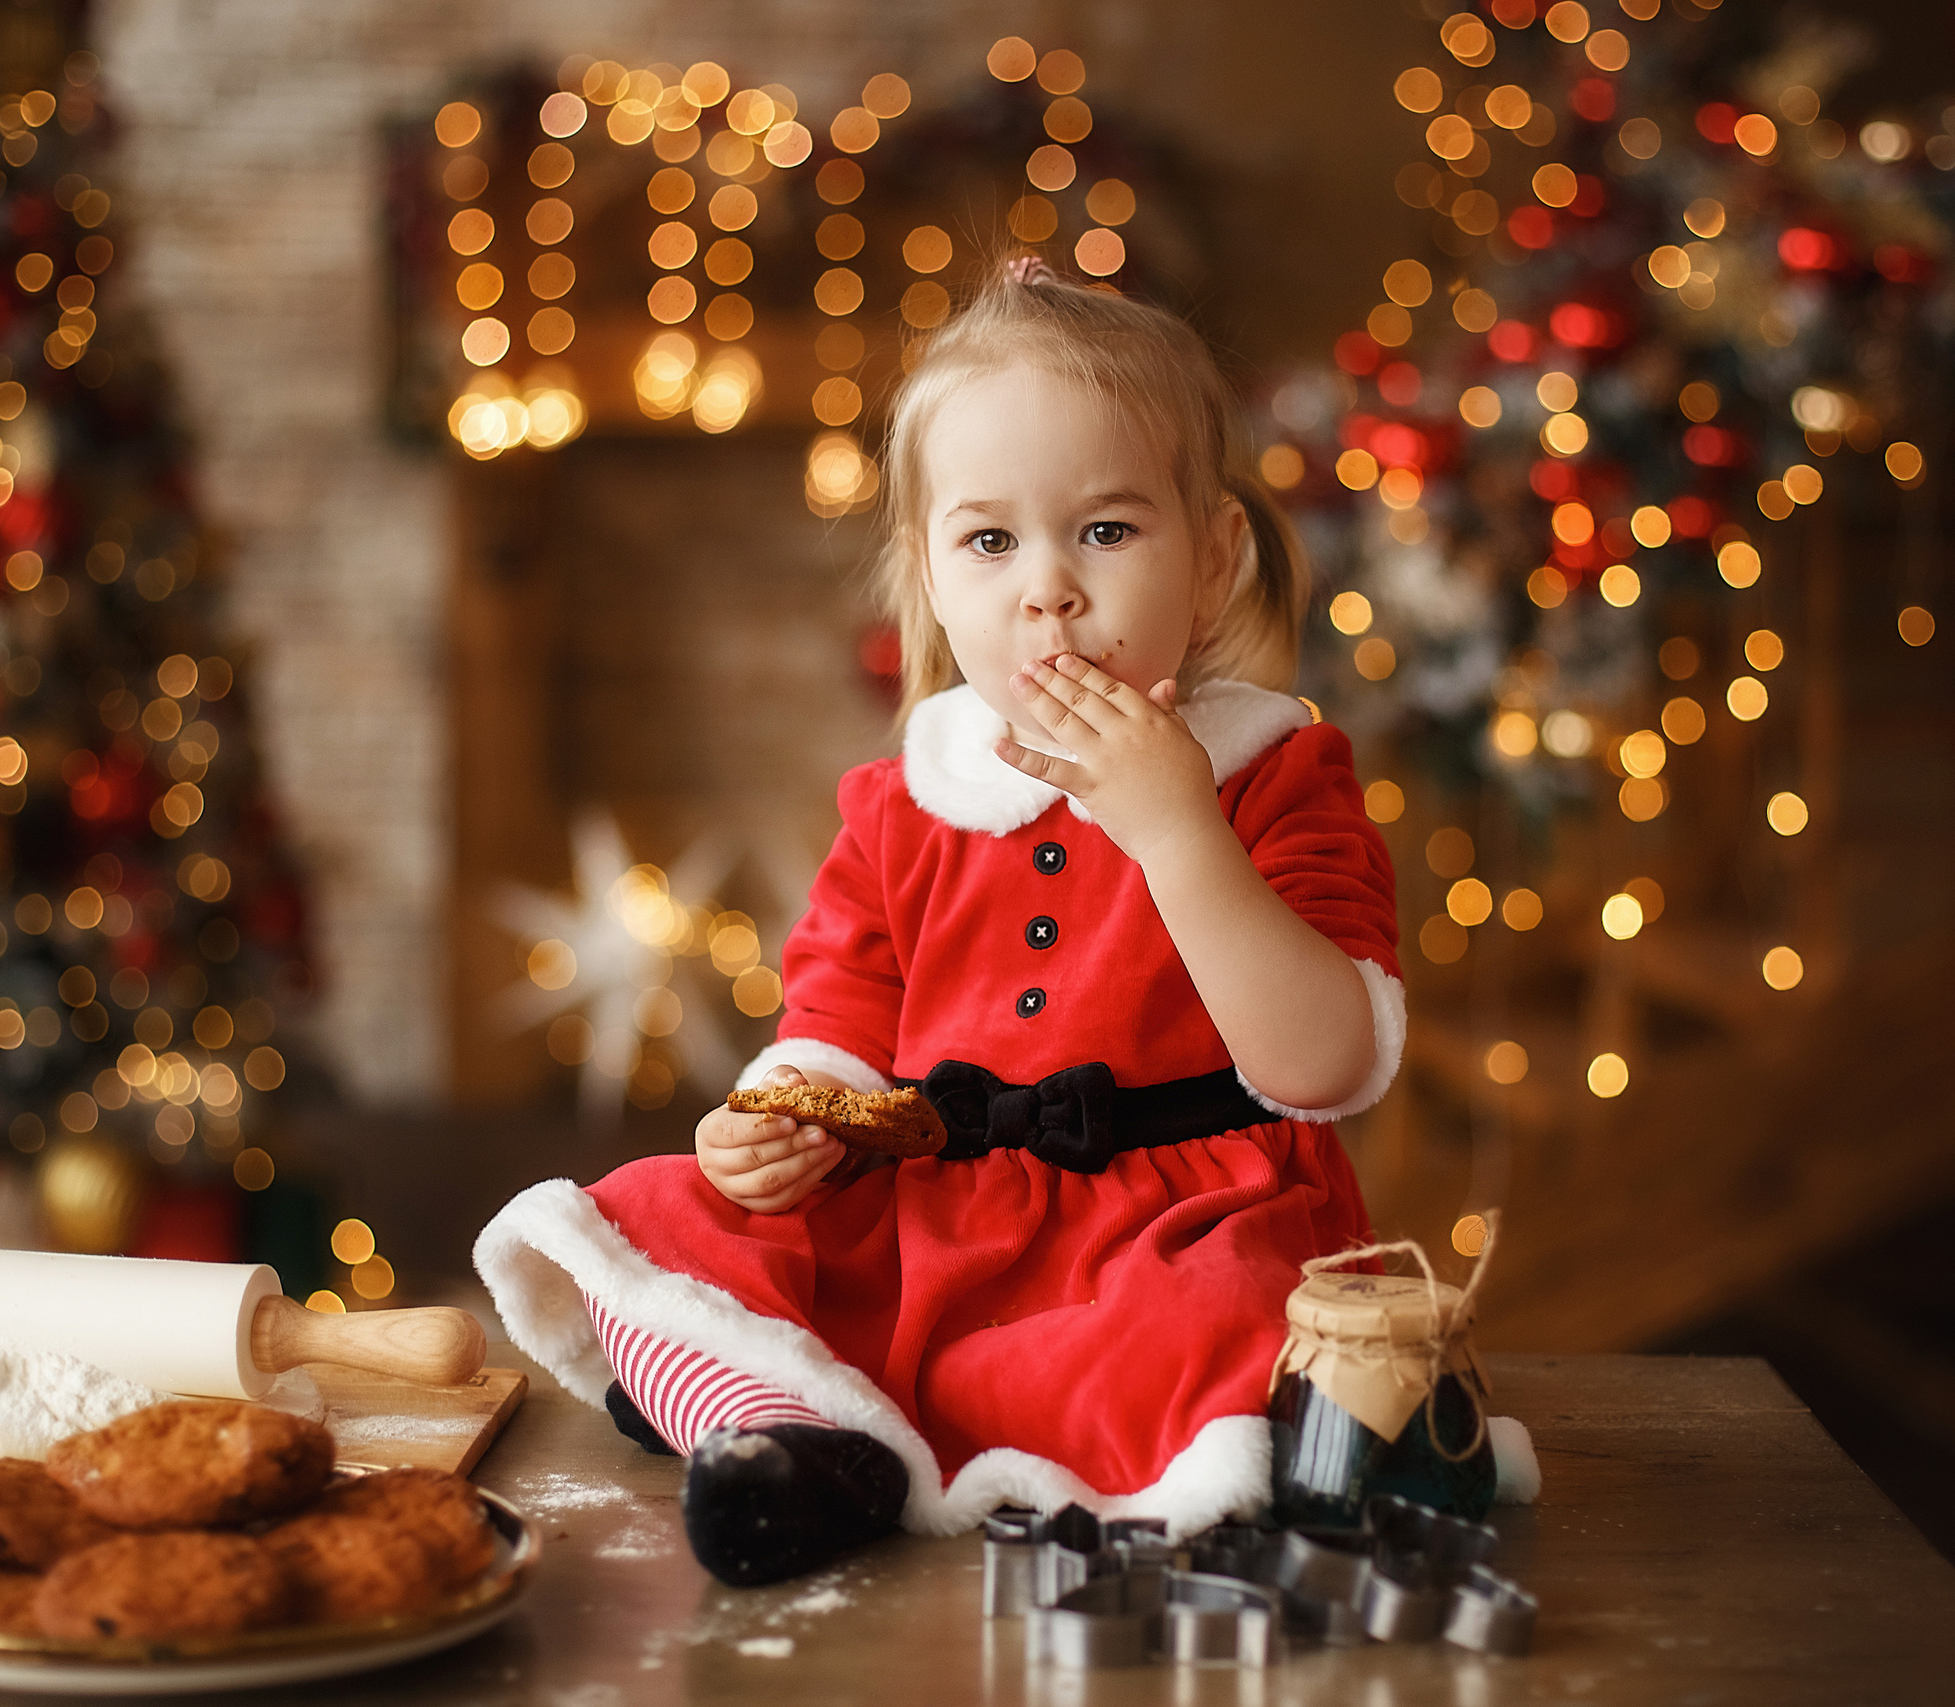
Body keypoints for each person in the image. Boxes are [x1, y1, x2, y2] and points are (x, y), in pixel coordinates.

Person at [475, 256, 1404, 1587]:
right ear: (930, 572)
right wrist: (786, 1116)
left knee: (1238, 1323)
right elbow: (837, 1015)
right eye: (991, 541)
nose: (1050, 590)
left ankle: (839, 1428)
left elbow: (1325, 1065)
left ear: (1213, 564)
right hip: (933, 1212)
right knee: (659, 1216)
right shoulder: (907, 800)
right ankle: (802, 1441)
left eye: (1107, 531)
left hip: (1166, 1230)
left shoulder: (1274, 774)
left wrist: (1176, 830)